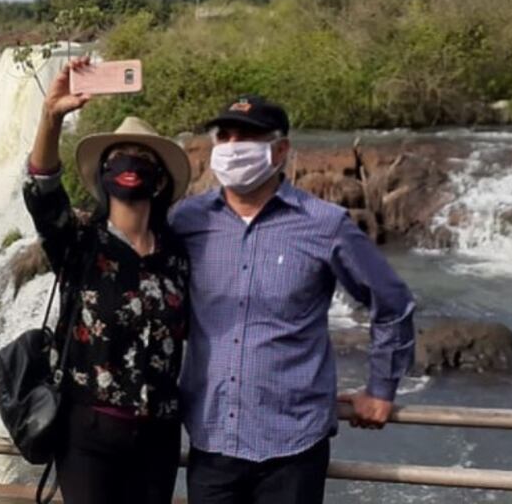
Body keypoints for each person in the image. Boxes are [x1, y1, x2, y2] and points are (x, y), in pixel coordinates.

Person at [170, 94, 416, 504]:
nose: (231, 147)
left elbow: (391, 302)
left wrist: (381, 387)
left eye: (245, 137)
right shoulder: (187, 220)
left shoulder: (324, 224)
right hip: (212, 437)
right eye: (224, 136)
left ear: (280, 150)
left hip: (292, 444)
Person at [24, 57, 192, 504]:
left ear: (159, 182)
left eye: (141, 158)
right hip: (88, 432)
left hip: (158, 433)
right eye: (118, 157)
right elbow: (42, 189)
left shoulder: (178, 257)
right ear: (103, 174)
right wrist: (51, 116)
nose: (129, 164)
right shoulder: (79, 242)